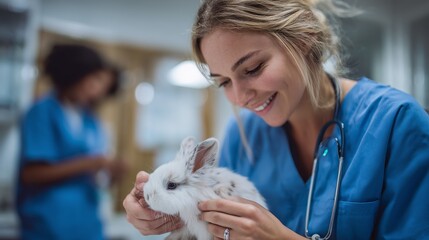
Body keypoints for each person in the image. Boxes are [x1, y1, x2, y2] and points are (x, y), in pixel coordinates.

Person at [123, 0, 429, 239]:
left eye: (253, 68)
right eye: (224, 82)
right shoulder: (245, 137)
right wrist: (175, 216)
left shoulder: (395, 122)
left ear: (304, 40)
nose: (241, 97)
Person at [16, 44, 127, 240]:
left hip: (87, 224)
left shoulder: (90, 120)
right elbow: (32, 174)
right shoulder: (42, 112)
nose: (97, 89)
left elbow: (96, 180)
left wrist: (112, 173)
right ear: (72, 75)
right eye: (92, 79)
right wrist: (91, 163)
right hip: (48, 224)